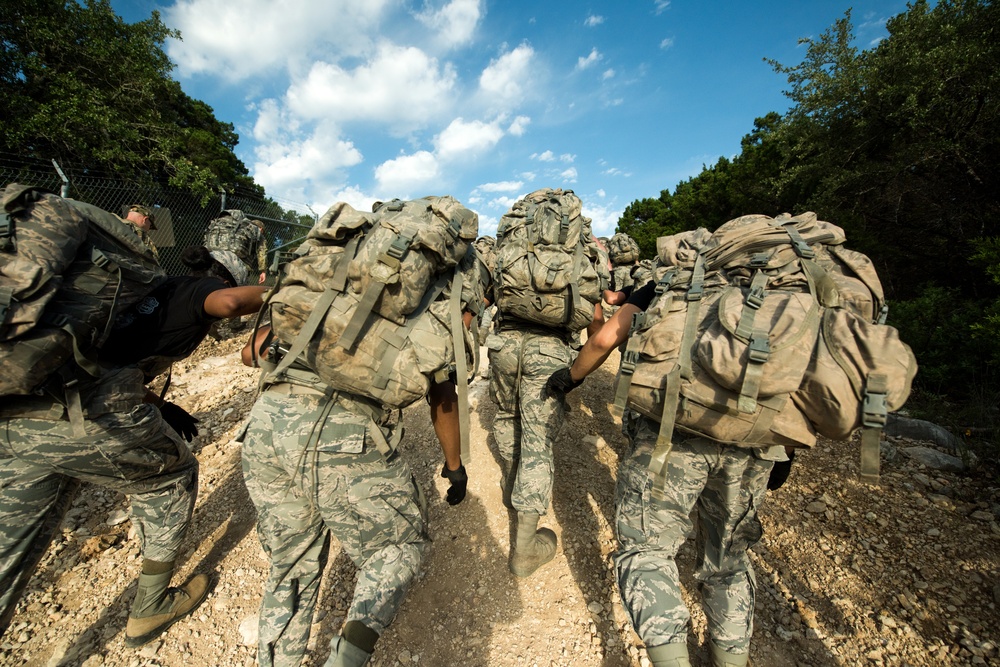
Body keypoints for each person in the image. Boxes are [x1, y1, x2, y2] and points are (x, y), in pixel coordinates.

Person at [0, 245, 266, 648]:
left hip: (22, 414)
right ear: (226, 275)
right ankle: (151, 606)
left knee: (14, 545)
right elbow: (229, 303)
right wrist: (292, 289)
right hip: (79, 420)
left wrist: (162, 405)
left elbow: (104, 360)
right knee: (173, 475)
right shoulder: (200, 288)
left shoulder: (144, 290)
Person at [545, 280, 783, 667]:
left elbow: (605, 338)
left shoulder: (673, 279)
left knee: (648, 552)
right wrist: (784, 451)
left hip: (671, 433)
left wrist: (572, 376)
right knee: (729, 560)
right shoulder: (780, 293)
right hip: (751, 440)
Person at [240, 325, 430, 667]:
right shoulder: (410, 296)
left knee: (291, 562)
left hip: (267, 425)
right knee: (398, 547)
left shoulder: (316, 282)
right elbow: (442, 388)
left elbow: (250, 353)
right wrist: (456, 465)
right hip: (340, 431)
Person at [487, 299, 603, 578]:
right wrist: (580, 369)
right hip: (549, 351)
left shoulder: (511, 252)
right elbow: (597, 325)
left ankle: (512, 485)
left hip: (505, 345)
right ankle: (525, 549)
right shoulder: (585, 255)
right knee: (536, 440)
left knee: (507, 414)